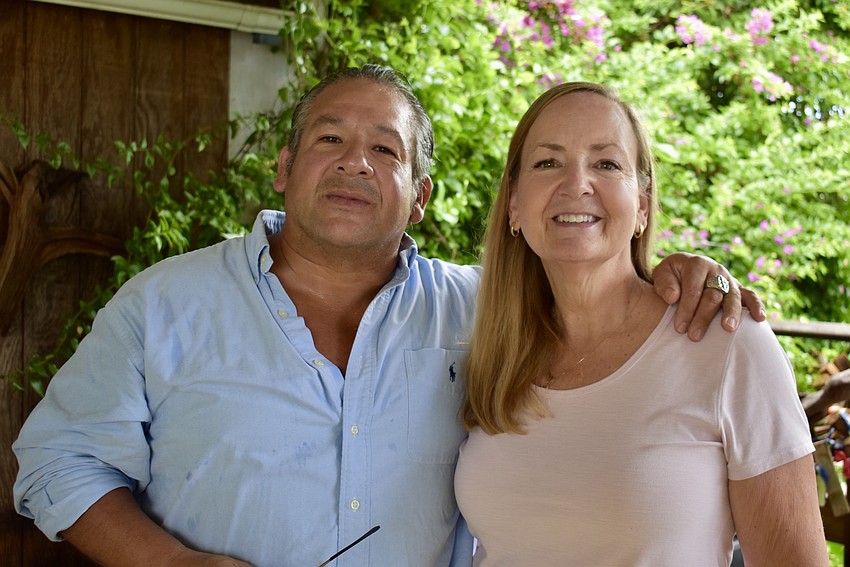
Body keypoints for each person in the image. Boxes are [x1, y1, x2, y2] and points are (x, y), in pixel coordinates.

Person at [13, 65, 763, 567]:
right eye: (330, 138)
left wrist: (682, 272)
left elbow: (596, 288)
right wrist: (170, 562)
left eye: (385, 149)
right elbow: (55, 459)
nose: (356, 162)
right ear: (284, 167)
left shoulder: (489, 314)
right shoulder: (165, 302)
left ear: (421, 194)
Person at [455, 81, 828, 566]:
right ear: (513, 206)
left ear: (643, 207)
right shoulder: (484, 344)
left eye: (606, 164)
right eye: (548, 163)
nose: (576, 184)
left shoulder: (726, 344)